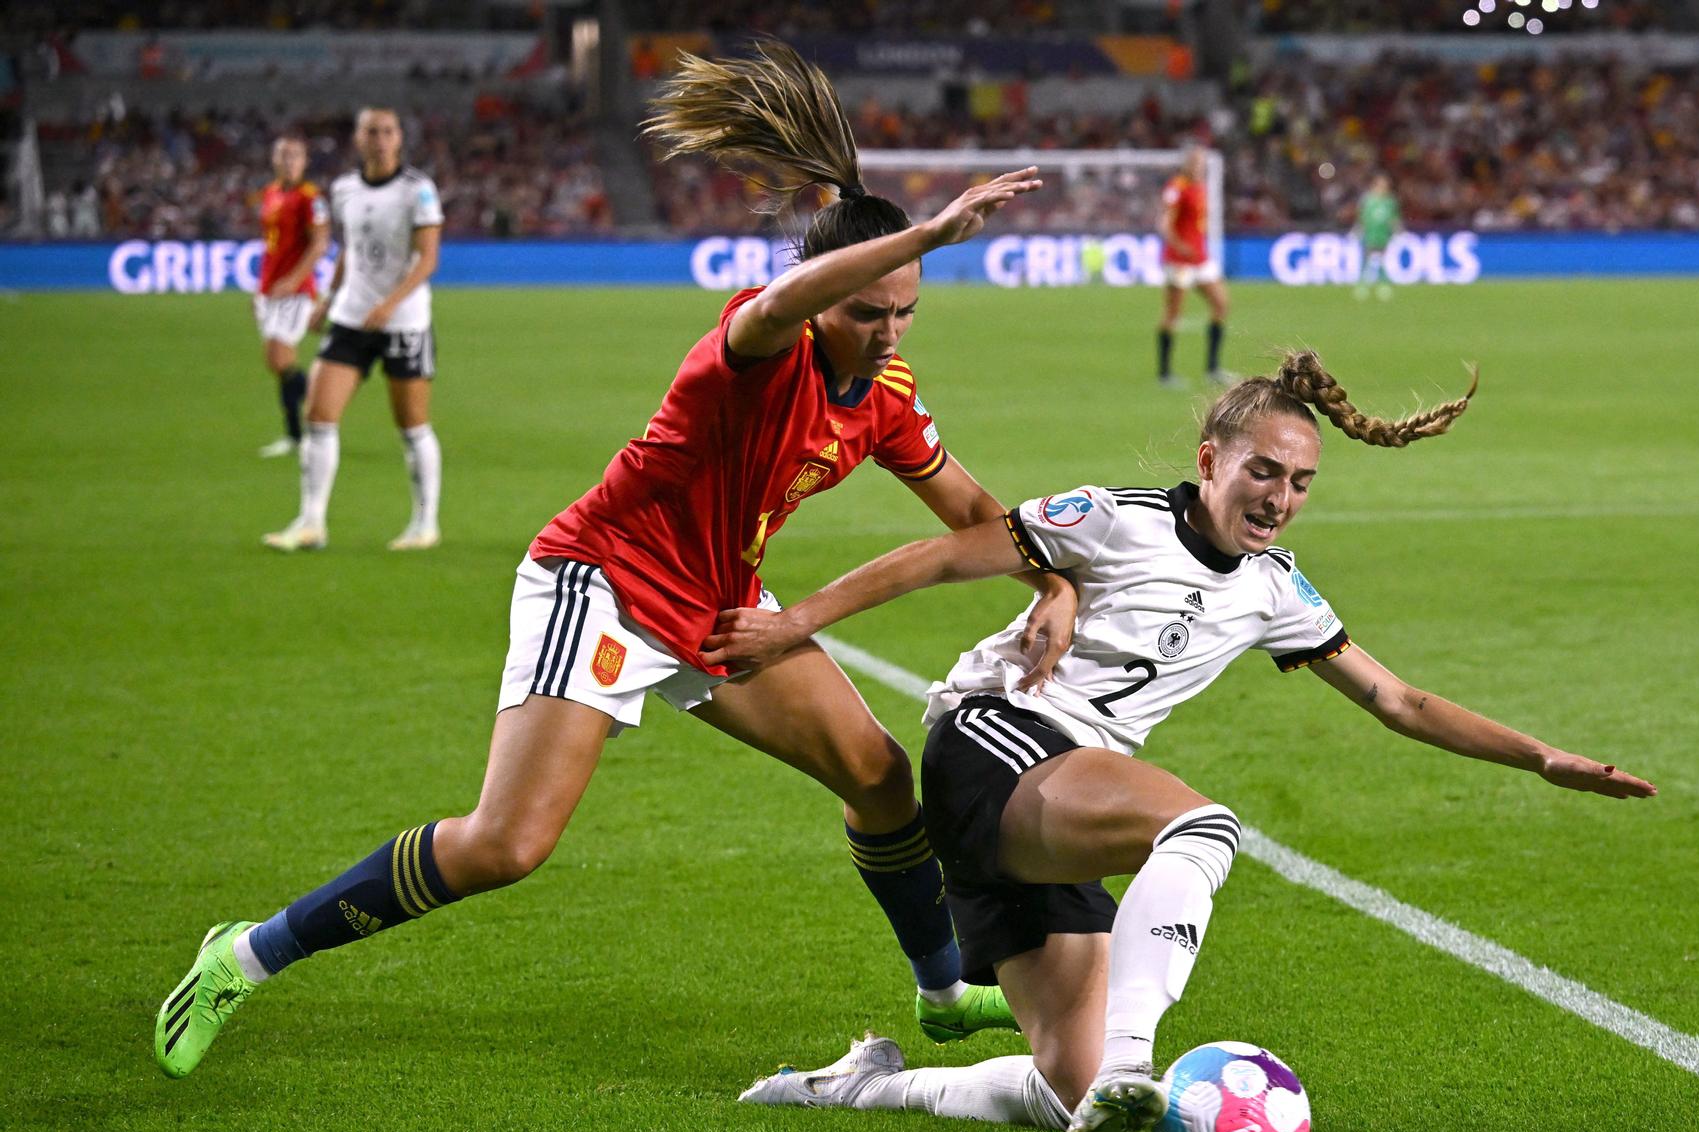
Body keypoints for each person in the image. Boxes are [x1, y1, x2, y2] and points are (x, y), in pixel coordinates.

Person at [154, 45, 1073, 1079]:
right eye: (868, 309)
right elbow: (778, 305)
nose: (886, 330)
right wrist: (927, 232)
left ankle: (944, 993)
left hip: (720, 602)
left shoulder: (887, 392)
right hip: (604, 580)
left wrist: (1052, 578)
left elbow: (969, 510)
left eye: (905, 309)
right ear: (822, 297)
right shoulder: (752, 341)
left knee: (874, 772)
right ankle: (245, 953)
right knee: (506, 843)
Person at [710, 351, 1657, 1132]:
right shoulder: (1116, 517)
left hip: (1065, 798)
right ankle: (1136, 1062)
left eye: (1299, 484)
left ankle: (864, 1087)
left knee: (1063, 1092)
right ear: (1211, 461)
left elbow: (1398, 699)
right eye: (1262, 473)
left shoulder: (1276, 589)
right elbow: (945, 554)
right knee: (1202, 828)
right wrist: (793, 623)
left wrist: (1539, 758)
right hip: (992, 741)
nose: (1279, 499)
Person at [262, 107, 444, 553]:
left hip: (404, 322)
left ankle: (425, 524)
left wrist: (390, 304)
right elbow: (350, 251)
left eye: (387, 131)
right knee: (319, 416)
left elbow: (428, 259)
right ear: (358, 140)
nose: (379, 139)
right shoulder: (343, 189)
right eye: (371, 132)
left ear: (398, 138)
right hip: (351, 316)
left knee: (412, 425)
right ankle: (311, 523)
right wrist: (327, 297)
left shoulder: (417, 191)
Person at [251, 136, 331, 459]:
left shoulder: (310, 197)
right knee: (277, 362)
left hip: (296, 291)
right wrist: (262, 287)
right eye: (283, 154)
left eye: (295, 155)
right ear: (274, 159)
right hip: (270, 289)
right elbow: (271, 246)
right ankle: (297, 434)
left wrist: (294, 279)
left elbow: (320, 243)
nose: (289, 160)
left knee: (279, 356)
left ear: (305, 161)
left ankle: (323, 407)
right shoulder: (270, 193)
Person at [1155, 144, 1228, 387]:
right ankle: (1165, 373)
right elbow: (1164, 224)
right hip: (1178, 259)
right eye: (1196, 163)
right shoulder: (1177, 187)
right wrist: (1179, 245)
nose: (1199, 167)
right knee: (1173, 314)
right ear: (1186, 164)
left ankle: (1213, 368)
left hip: (1200, 258)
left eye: (1202, 164)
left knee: (1220, 304)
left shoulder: (1199, 187)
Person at [1355, 173, 1401, 301]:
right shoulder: (1368, 200)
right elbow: (1362, 218)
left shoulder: (1390, 201)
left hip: (1383, 234)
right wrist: (1358, 231)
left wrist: (1398, 231)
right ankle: (1362, 285)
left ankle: (1383, 284)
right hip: (1370, 234)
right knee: (1367, 259)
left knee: (1381, 259)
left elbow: (1394, 219)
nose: (1383, 187)